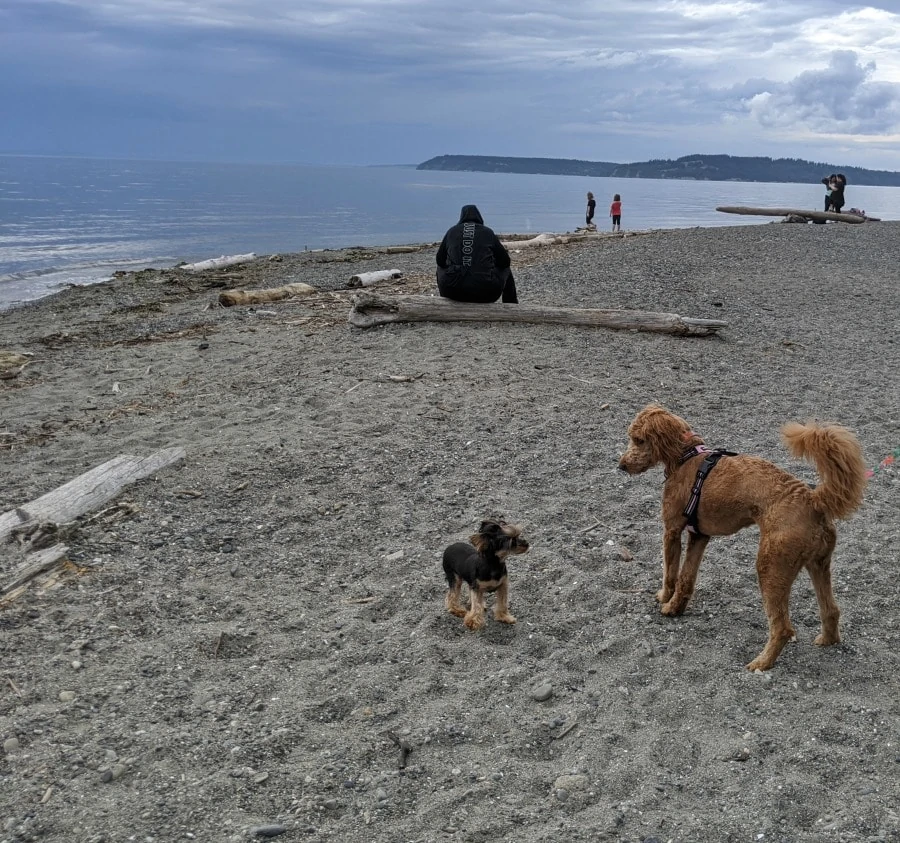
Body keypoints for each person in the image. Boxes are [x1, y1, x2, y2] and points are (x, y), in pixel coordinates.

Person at [435, 205, 518, 304]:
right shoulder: (487, 232)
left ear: (461, 217)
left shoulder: (452, 231)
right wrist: (491, 264)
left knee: (440, 268)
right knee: (506, 269)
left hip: (453, 292)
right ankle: (511, 304)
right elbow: (505, 262)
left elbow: (439, 260)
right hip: (485, 293)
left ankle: (445, 303)